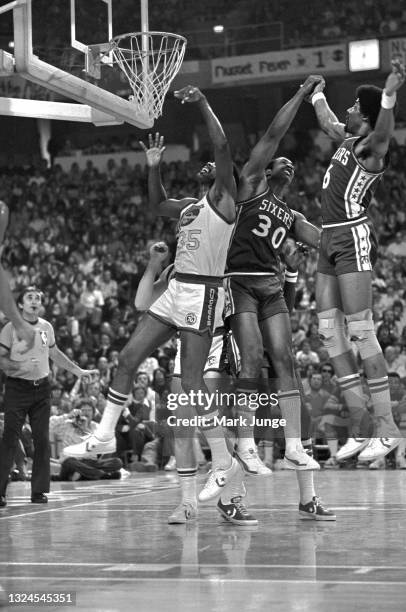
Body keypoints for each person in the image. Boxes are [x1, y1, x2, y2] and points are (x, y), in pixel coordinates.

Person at [64, 86, 240, 496]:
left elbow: (223, 144)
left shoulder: (227, 199)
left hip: (203, 293)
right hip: (177, 289)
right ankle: (104, 435)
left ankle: (223, 458)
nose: (207, 165)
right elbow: (156, 204)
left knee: (193, 385)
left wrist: (201, 103)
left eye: (214, 165)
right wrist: (153, 166)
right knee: (126, 358)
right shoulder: (190, 206)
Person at [225, 75, 323, 471]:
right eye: (281, 160)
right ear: (267, 170)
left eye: (291, 164)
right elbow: (274, 133)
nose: (288, 162)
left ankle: (294, 446)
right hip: (240, 282)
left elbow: (326, 241)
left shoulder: (293, 215)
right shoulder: (250, 184)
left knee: (285, 359)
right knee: (251, 360)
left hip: (272, 285)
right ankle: (247, 445)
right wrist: (301, 94)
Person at [310, 59, 406, 462]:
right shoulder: (346, 142)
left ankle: (387, 428)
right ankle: (360, 424)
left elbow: (384, 133)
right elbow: (329, 120)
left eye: (352, 107)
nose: (346, 110)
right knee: (330, 333)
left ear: (364, 117)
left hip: (351, 234)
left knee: (362, 331)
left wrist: (389, 95)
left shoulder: (370, 149)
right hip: (329, 237)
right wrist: (314, 92)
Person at [133, 242, 257, 525]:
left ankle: (230, 495)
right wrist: (153, 264)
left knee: (211, 420)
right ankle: (188, 502)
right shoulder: (176, 270)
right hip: (187, 346)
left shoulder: (231, 263)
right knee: (182, 427)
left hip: (220, 344)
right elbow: (142, 303)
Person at [0, 286, 98, 507]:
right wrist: (19, 365)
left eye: (38, 298)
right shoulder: (10, 328)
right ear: (21, 304)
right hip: (17, 388)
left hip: (42, 389)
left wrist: (78, 371)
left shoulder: (46, 327)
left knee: (42, 440)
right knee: (9, 439)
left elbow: (54, 353)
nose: (34, 301)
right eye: (29, 297)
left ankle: (39, 492)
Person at [57, 400, 123, 481]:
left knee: (117, 462)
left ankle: (81, 475)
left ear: (93, 413)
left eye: (89, 410)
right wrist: (67, 415)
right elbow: (50, 423)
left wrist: (85, 430)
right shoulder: (67, 425)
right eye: (83, 410)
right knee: (69, 461)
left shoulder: (97, 427)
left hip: (90, 462)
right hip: (72, 463)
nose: (86, 413)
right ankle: (102, 475)